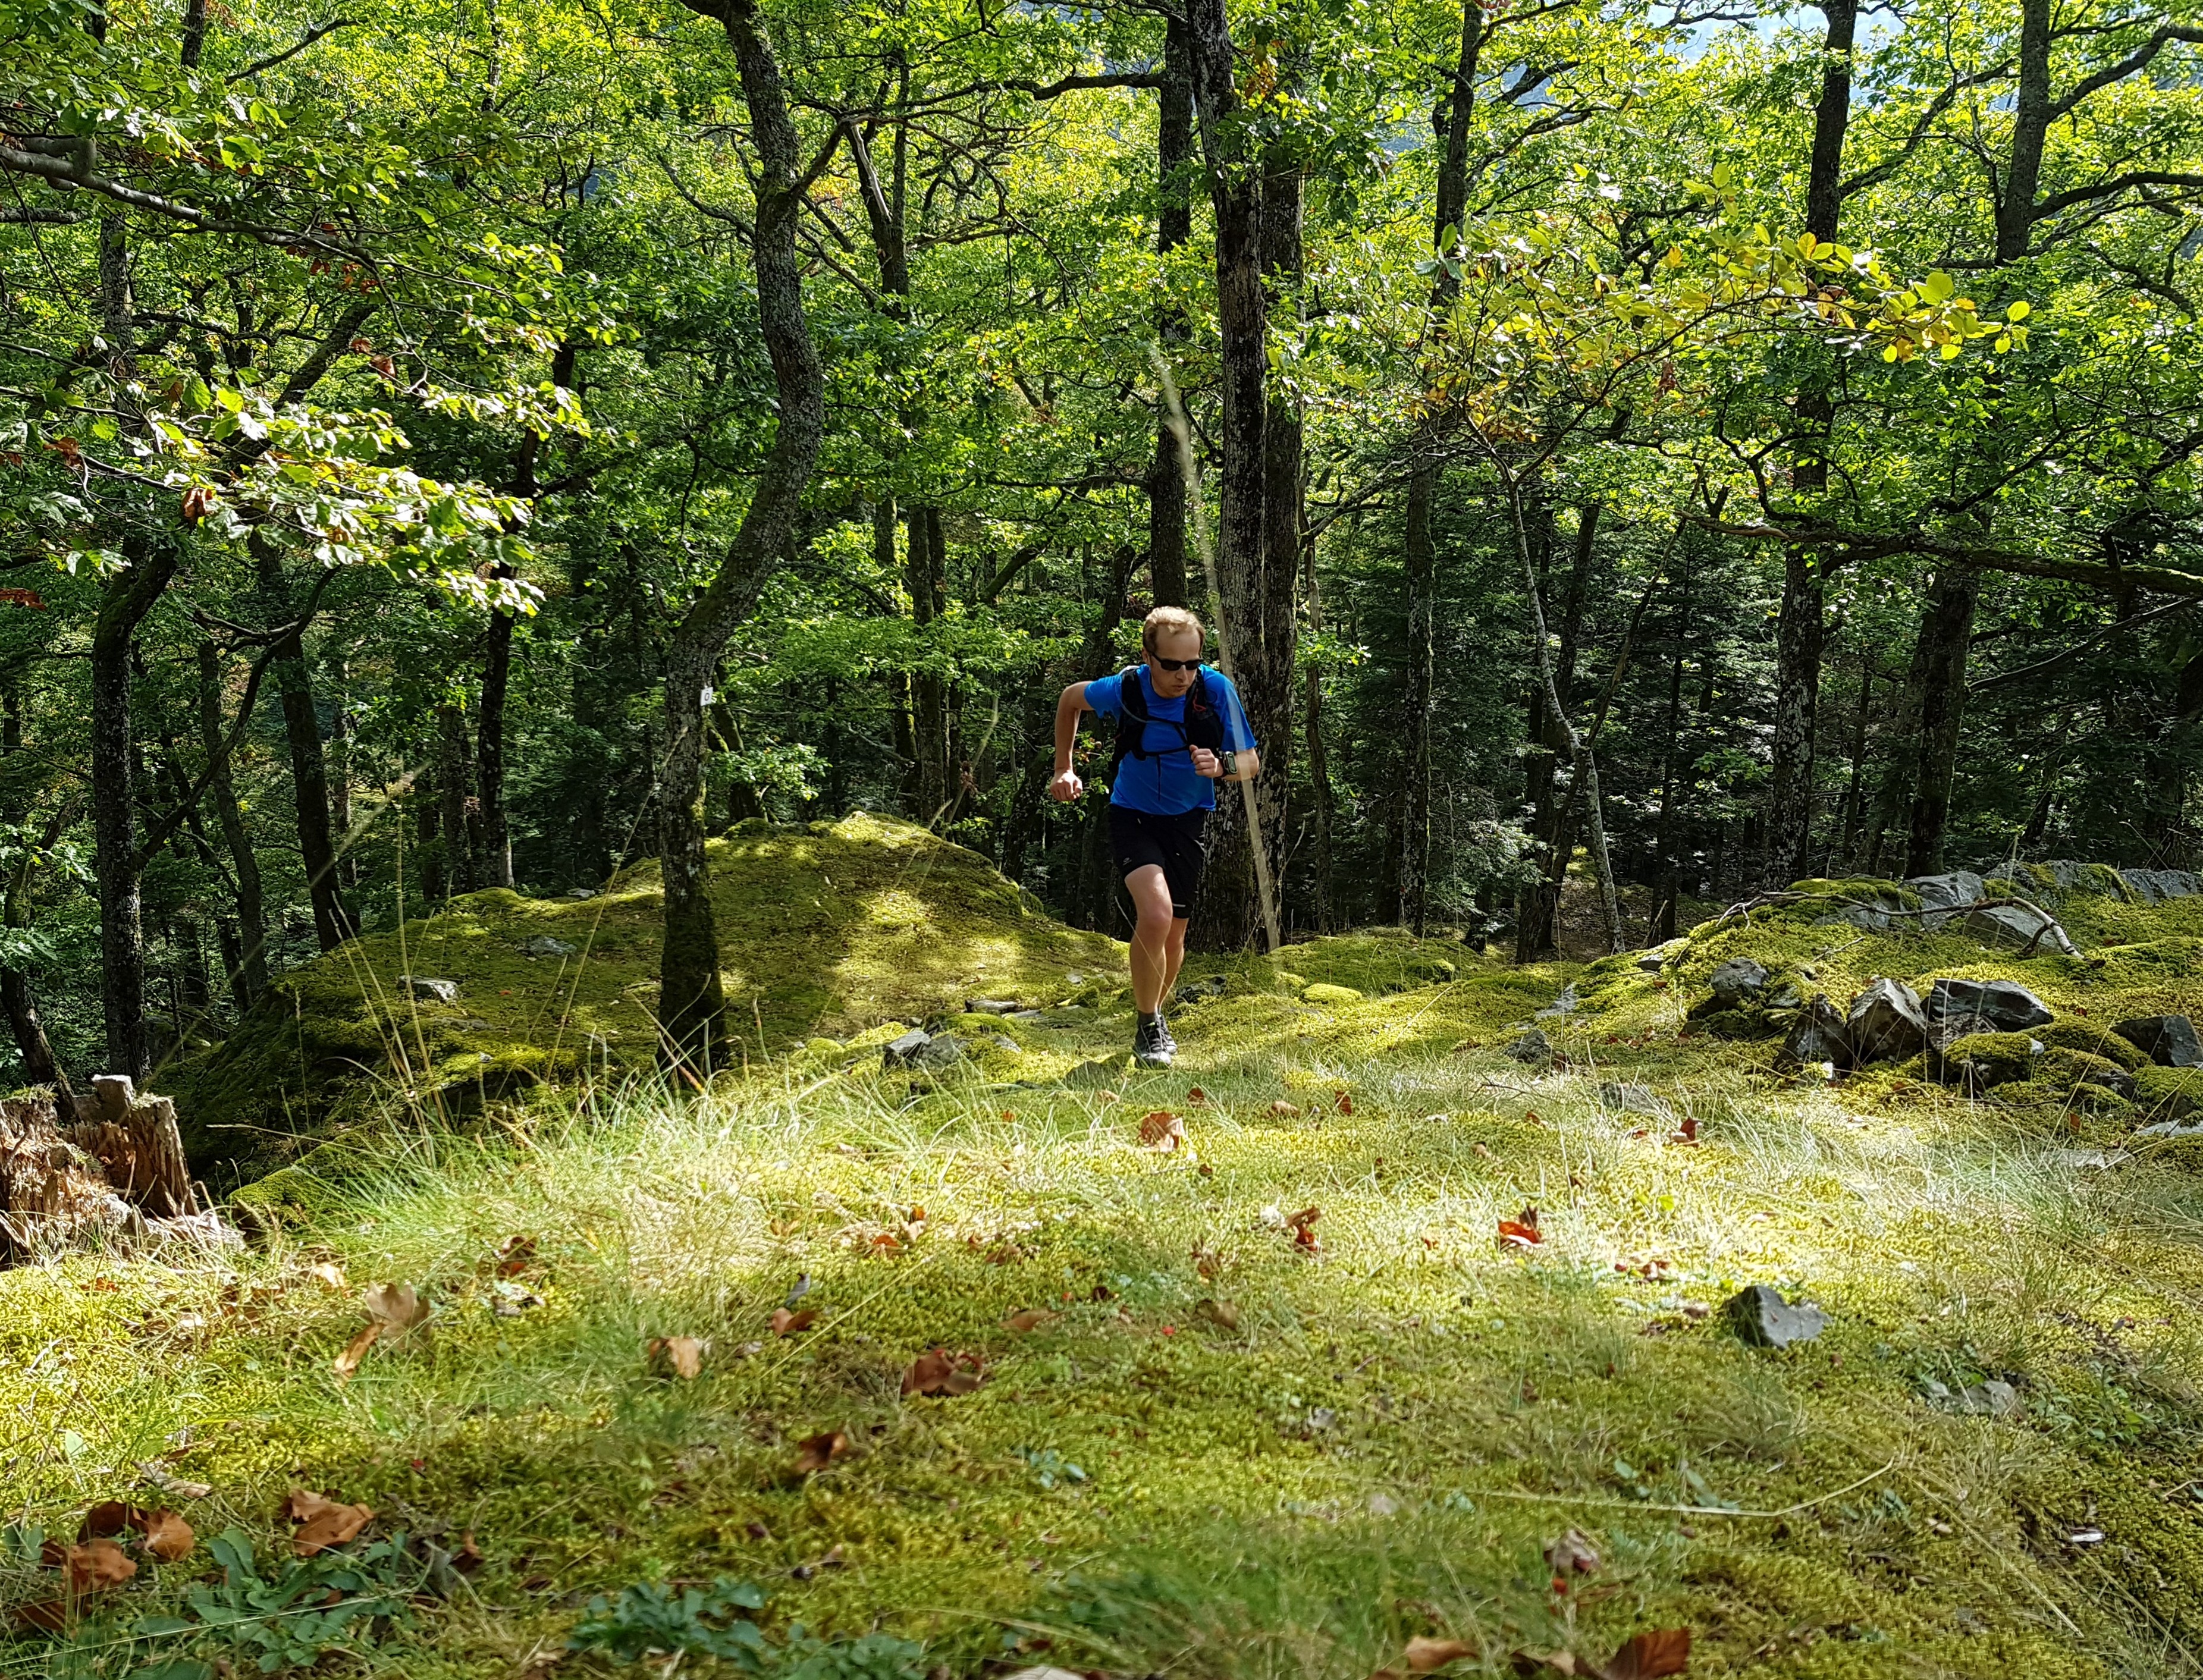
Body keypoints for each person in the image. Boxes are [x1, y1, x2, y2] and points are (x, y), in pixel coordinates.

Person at [1050, 606, 1260, 1067]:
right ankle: (1149, 1025)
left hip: (1189, 820)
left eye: (1193, 663)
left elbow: (1251, 762)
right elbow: (1070, 700)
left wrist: (1221, 766)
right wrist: (1064, 767)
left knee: (1174, 934)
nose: (1183, 675)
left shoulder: (1215, 689)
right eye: (1171, 665)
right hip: (1133, 815)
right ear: (1148, 657)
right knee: (1157, 914)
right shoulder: (1125, 688)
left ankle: (1153, 1016)